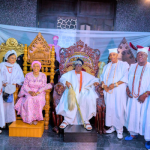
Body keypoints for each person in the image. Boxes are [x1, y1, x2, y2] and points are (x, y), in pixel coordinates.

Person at [56, 58, 99, 130]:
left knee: (88, 99)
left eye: (79, 65)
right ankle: (67, 120)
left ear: (81, 66)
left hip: (83, 92)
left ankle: (86, 120)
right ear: (74, 66)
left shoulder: (85, 74)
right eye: (76, 65)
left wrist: (95, 82)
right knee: (70, 99)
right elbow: (62, 78)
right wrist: (66, 82)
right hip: (72, 92)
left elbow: (94, 79)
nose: (78, 66)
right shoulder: (70, 73)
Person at [100, 48, 129, 139]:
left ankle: (119, 129)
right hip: (108, 91)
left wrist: (115, 84)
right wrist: (104, 85)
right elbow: (101, 77)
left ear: (117, 55)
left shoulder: (123, 65)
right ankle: (112, 127)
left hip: (119, 90)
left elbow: (125, 77)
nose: (112, 57)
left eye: (114, 55)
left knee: (119, 109)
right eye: (110, 55)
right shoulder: (106, 66)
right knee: (110, 108)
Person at [124, 47, 150, 149]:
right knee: (133, 115)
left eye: (142, 54)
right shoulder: (132, 67)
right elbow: (126, 80)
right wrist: (127, 89)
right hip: (133, 97)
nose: (140, 56)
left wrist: (146, 94)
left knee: (146, 118)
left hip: (146, 99)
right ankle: (133, 133)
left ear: (147, 56)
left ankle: (148, 139)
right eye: (138, 54)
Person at [15, 61, 53, 125]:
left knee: (38, 100)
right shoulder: (28, 75)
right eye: (34, 66)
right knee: (29, 100)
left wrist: (37, 92)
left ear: (40, 67)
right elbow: (25, 85)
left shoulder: (43, 75)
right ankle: (29, 119)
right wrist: (30, 92)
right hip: (29, 92)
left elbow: (44, 86)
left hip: (40, 92)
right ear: (32, 67)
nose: (36, 67)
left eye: (37, 66)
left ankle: (35, 118)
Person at [0, 50, 24, 124]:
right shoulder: (2, 65)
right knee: (2, 104)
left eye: (15, 58)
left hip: (12, 89)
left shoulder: (16, 66)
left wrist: (15, 82)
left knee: (10, 104)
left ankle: (9, 121)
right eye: (12, 58)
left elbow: (21, 78)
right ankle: (2, 122)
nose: (14, 60)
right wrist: (3, 82)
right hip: (2, 87)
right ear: (7, 58)